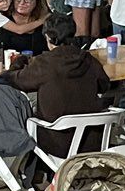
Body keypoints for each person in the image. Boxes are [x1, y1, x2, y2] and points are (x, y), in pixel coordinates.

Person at [7, 11, 107, 152]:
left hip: (57, 144)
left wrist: (18, 61)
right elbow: (104, 85)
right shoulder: (87, 58)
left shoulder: (45, 63)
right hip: (92, 142)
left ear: (48, 37)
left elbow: (15, 80)